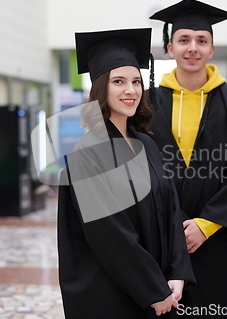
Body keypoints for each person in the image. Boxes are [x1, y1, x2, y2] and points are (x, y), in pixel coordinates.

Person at [57, 28, 196, 319]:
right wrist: (154, 291)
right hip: (113, 294)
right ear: (99, 88)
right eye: (118, 81)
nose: (130, 90)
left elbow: (171, 210)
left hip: (159, 288)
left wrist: (177, 273)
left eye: (136, 81)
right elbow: (111, 237)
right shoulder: (87, 155)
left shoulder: (146, 143)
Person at [149, 0, 227, 318]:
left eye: (201, 40)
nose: (192, 48)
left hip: (215, 238)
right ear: (170, 47)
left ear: (212, 48)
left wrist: (205, 225)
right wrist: (173, 226)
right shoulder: (148, 102)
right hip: (164, 235)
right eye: (184, 40)